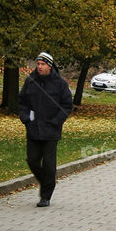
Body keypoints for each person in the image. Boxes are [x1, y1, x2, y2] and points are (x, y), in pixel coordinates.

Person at [18, 52, 73, 207]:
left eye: (43, 64)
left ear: (50, 66)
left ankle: (46, 196)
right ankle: (47, 182)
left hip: (51, 131)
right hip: (33, 129)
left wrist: (56, 121)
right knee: (32, 160)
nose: (40, 67)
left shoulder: (60, 83)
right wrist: (26, 118)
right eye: (38, 64)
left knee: (49, 165)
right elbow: (22, 102)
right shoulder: (30, 81)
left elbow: (67, 105)